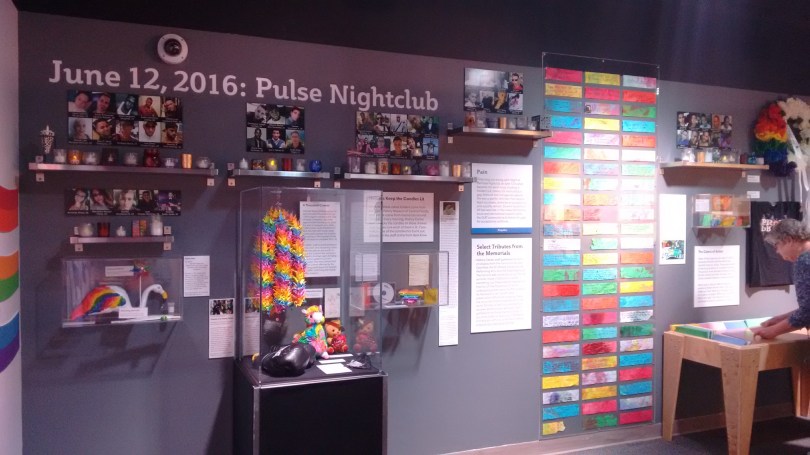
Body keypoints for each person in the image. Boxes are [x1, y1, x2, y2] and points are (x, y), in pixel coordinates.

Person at [751, 219, 810, 339]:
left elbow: (807, 311)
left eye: (777, 245)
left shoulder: (804, 261)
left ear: (788, 240)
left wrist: (773, 331)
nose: (777, 251)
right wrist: (781, 319)